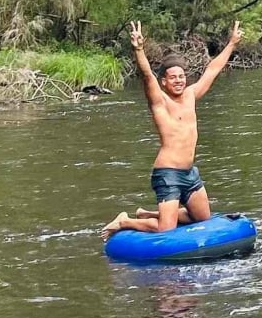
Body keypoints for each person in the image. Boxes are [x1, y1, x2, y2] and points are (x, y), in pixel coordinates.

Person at [103, 20, 242, 237]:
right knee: (166, 230)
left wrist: (232, 43)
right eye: (173, 78)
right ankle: (125, 221)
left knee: (203, 218)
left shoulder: (191, 96)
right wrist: (138, 49)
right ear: (164, 83)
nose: (178, 81)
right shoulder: (160, 102)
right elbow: (147, 75)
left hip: (189, 173)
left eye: (181, 76)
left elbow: (212, 69)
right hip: (168, 174)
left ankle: (147, 213)